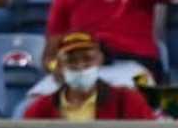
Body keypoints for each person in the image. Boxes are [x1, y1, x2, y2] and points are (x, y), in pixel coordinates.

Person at [23, 33, 156, 121]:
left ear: (100, 60)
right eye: (71, 61)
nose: (80, 66)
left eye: (87, 59)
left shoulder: (127, 101)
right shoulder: (40, 109)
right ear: (59, 66)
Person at [44, 0, 164, 81]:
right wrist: (55, 69)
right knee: (38, 96)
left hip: (136, 63)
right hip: (81, 65)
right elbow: (49, 57)